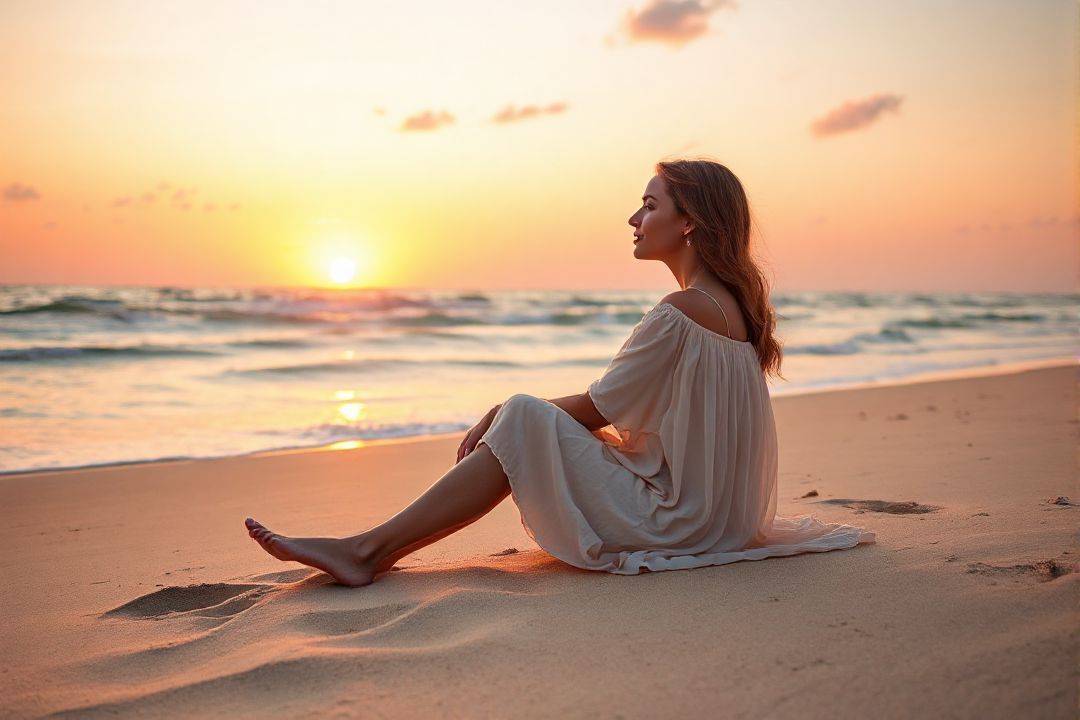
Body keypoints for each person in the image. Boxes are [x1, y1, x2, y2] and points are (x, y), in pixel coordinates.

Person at [245, 158, 876, 587]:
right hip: (719, 518)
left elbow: (602, 408)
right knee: (526, 415)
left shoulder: (683, 311)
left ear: (688, 223)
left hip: (681, 523)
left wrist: (501, 413)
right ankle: (372, 550)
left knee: (521, 412)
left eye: (649, 205)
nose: (634, 219)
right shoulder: (733, 310)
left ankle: (365, 551)